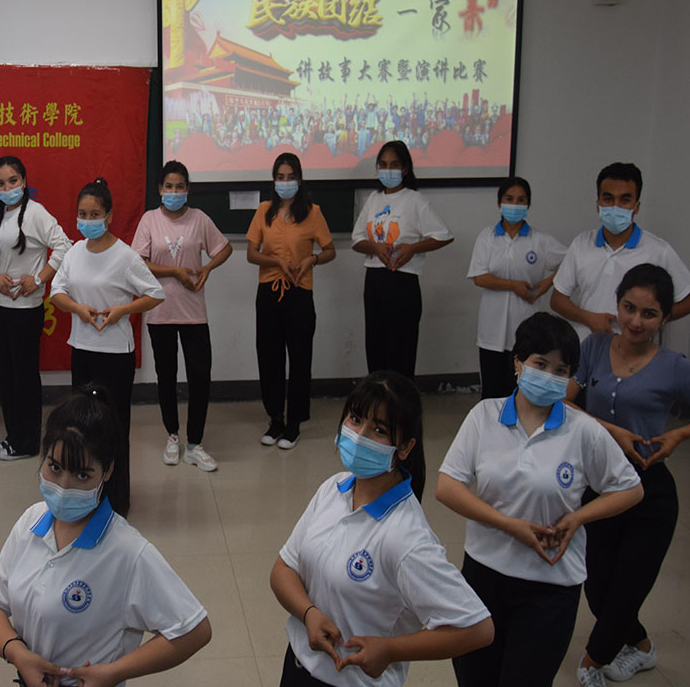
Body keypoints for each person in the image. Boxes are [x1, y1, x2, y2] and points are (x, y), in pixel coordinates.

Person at [437, 312, 643, 687]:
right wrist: (508, 525)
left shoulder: (583, 430)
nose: (550, 376)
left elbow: (630, 489)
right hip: (484, 575)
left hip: (550, 585)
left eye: (561, 370)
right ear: (517, 363)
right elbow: (447, 487)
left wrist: (578, 517)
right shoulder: (484, 416)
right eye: (540, 364)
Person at [0, 389, 212, 687]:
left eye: (82, 475)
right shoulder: (32, 520)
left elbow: (194, 630)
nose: (63, 487)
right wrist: (17, 653)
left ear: (108, 471)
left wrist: (114, 673)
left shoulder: (127, 551)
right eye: (54, 467)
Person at [270, 371, 494, 687]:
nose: (359, 436)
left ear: (405, 447)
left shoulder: (406, 538)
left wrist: (390, 649)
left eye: (378, 430)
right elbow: (283, 569)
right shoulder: (333, 488)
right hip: (298, 673)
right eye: (355, 419)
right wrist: (309, 613)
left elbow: (477, 629)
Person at [569, 263, 690, 687]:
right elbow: (563, 404)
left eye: (649, 313)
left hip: (648, 490)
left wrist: (680, 435)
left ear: (665, 317)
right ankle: (642, 646)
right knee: (598, 587)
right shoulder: (594, 347)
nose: (635, 321)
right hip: (599, 485)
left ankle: (591, 664)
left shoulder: (674, 366)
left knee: (627, 586)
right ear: (617, 305)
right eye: (628, 308)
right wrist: (612, 432)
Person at [51, 178, 164, 517]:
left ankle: (115, 500)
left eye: (95, 214)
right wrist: (77, 308)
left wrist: (122, 311)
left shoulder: (125, 256)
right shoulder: (74, 252)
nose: (88, 220)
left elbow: (155, 293)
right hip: (82, 348)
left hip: (115, 354)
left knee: (114, 427)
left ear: (109, 216)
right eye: (82, 214)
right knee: (81, 427)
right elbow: (57, 292)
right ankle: (85, 493)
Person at [131, 160, 233, 471]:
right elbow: (138, 262)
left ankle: (194, 444)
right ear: (160, 189)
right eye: (169, 186)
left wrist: (207, 268)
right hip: (160, 311)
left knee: (200, 377)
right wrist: (174, 272)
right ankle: (173, 436)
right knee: (166, 377)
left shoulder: (199, 219)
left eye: (179, 186)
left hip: (193, 313)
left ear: (187, 189)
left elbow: (224, 248)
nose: (174, 192)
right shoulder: (149, 219)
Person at [0, 156, 72, 461]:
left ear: (24, 181)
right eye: (1, 184)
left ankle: (28, 442)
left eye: (13, 181)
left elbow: (64, 246)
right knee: (6, 376)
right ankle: (13, 435)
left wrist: (39, 279)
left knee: (24, 378)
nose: (7, 188)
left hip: (26, 309)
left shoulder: (36, 213)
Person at [550, 161, 690, 343]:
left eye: (624, 200)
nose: (615, 207)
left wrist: (651, 319)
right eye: (608, 199)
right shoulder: (581, 243)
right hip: (585, 346)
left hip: (636, 351)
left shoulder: (658, 250)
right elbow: (557, 300)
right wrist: (588, 318)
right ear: (598, 205)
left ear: (636, 206)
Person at [245, 152, 335, 450]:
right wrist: (276, 262)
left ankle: (294, 423)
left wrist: (311, 260)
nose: (285, 182)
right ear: (274, 180)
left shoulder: (313, 212)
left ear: (299, 180)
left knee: (299, 357)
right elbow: (251, 253)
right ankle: (275, 419)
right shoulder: (264, 210)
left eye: (291, 177)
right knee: (269, 356)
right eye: (280, 177)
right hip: (269, 291)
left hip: (299, 292)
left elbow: (330, 250)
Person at [351, 140, 453, 379]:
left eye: (394, 165)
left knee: (401, 351)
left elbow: (444, 235)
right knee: (375, 347)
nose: (388, 170)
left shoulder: (415, 200)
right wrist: (375, 247)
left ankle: (401, 400)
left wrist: (413, 248)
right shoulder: (373, 199)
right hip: (374, 280)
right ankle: (378, 397)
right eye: (383, 165)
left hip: (402, 282)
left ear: (405, 168)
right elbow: (357, 239)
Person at [467, 177, 566, 399]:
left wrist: (547, 283)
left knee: (521, 391)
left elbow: (571, 261)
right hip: (491, 329)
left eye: (521, 200)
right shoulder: (487, 237)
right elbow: (479, 277)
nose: (515, 204)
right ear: (499, 202)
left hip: (525, 327)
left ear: (528, 205)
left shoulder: (540, 240)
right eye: (509, 198)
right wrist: (513, 285)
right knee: (491, 392)